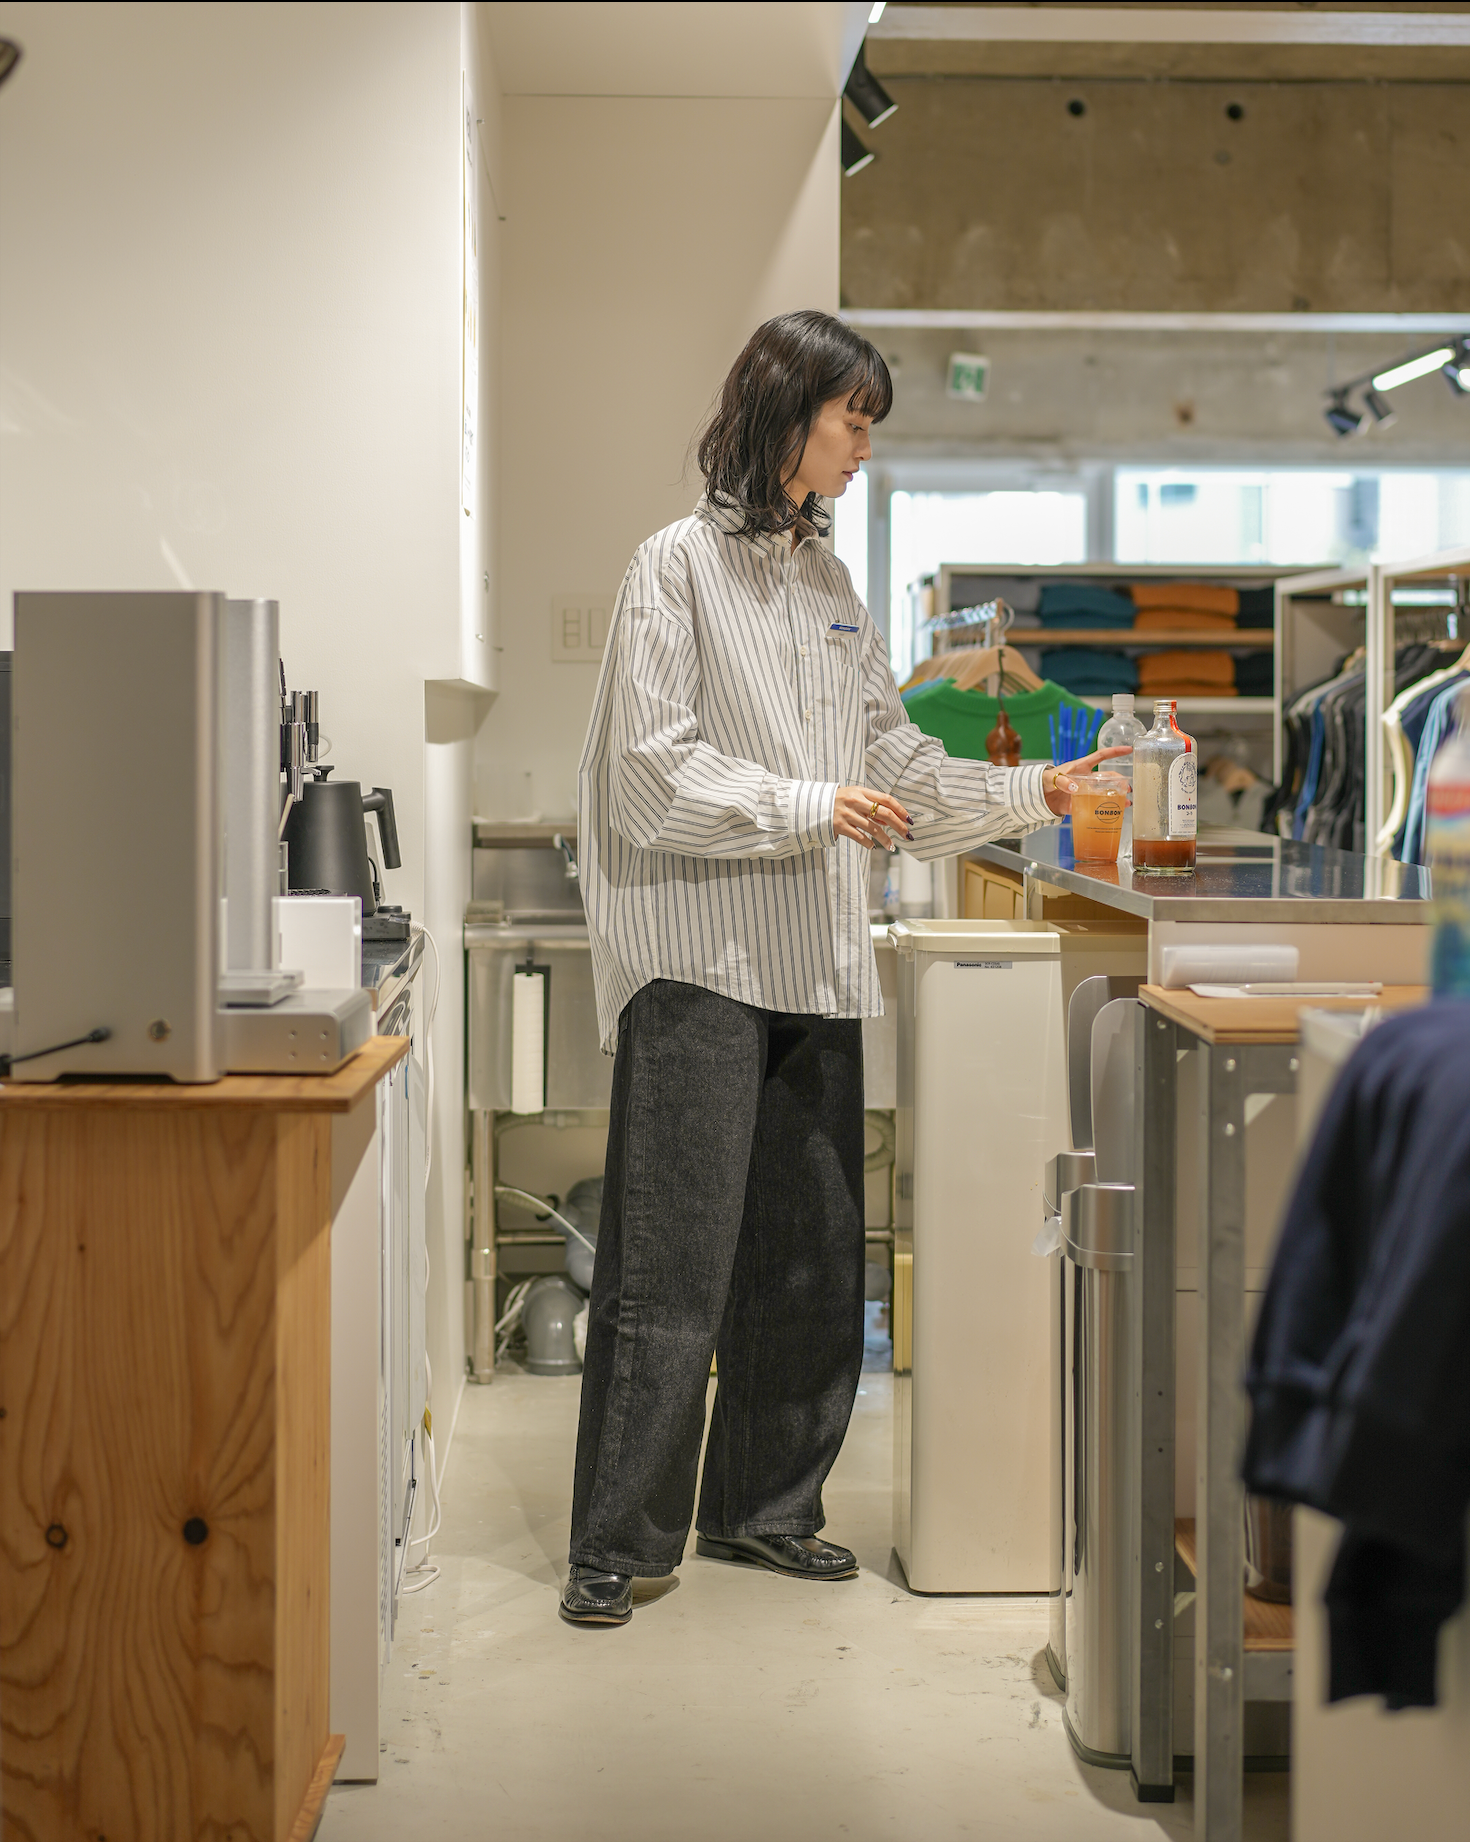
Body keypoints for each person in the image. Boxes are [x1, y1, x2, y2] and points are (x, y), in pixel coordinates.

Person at [561, 309, 1128, 1626]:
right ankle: (617, 1540)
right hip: (697, 959)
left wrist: (1032, 789)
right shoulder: (671, 568)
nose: (864, 447)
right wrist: (811, 806)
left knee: (812, 1261)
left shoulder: (830, 586)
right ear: (785, 412)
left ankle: (764, 1510)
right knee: (671, 1269)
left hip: (815, 959)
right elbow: (650, 774)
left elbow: (897, 766)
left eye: (870, 424)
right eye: (851, 420)